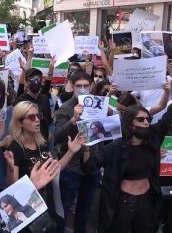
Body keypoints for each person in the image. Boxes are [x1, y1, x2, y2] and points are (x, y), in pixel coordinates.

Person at [82, 95, 172, 233]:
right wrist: (86, 148)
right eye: (141, 119)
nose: (146, 122)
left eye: (148, 119)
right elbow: (88, 167)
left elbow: (170, 115)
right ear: (130, 123)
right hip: (123, 203)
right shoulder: (114, 148)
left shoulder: (152, 140)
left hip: (147, 200)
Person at [5, 101, 86, 231]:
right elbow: (12, 190)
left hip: (46, 203)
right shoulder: (15, 148)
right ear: (20, 123)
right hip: (26, 211)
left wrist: (71, 151)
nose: (37, 120)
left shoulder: (42, 143)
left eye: (38, 116)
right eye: (31, 117)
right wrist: (10, 169)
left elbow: (54, 169)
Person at [54, 71, 98, 233]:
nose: (82, 89)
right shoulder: (65, 109)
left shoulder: (98, 105)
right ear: (72, 86)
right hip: (71, 167)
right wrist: (73, 120)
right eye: (78, 86)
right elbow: (57, 137)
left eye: (86, 86)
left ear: (91, 86)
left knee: (85, 209)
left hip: (91, 164)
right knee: (64, 208)